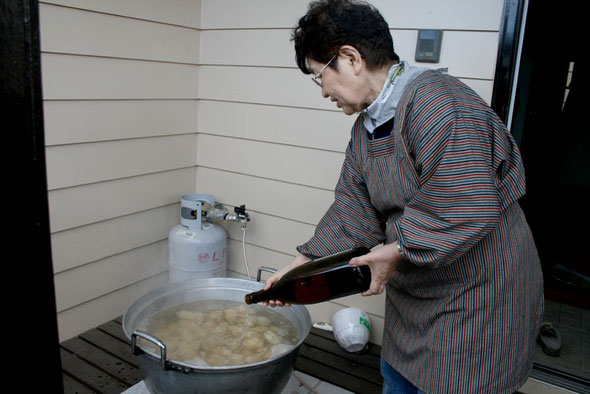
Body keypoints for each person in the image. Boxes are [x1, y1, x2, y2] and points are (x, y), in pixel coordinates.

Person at [263, 0, 544, 393]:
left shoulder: (437, 101)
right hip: (416, 295)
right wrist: (297, 270)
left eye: (318, 75)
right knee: (401, 380)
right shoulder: (366, 129)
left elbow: (463, 201)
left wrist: (395, 251)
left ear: (350, 58)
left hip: (477, 291)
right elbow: (352, 212)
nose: (323, 90)